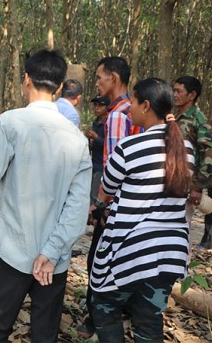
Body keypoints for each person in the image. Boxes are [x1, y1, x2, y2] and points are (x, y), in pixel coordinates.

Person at [0, 50, 91, 342]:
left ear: (26, 79)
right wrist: (50, 252)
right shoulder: (77, 139)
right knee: (45, 334)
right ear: (59, 87)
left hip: (12, 251)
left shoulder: (10, 123)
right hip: (53, 261)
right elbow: (77, 210)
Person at [91, 78, 194, 342]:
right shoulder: (186, 149)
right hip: (171, 252)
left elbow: (106, 190)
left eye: (133, 103)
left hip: (132, 248)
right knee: (149, 321)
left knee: (103, 304)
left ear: (146, 106)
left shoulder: (129, 147)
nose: (129, 109)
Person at [78, 56, 142, 338]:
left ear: (114, 78)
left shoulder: (117, 115)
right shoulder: (135, 110)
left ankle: (96, 319)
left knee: (98, 262)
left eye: (99, 77)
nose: (96, 82)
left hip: (115, 207)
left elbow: (114, 168)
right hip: (135, 205)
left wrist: (101, 205)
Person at [173, 76, 212, 248]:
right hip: (174, 181)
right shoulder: (176, 117)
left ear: (192, 95)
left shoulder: (198, 120)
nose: (175, 95)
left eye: (179, 91)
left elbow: (209, 155)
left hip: (187, 185)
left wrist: (197, 187)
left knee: (180, 228)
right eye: (174, 90)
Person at [84, 95, 109, 205]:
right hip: (94, 162)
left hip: (102, 165)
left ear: (107, 107)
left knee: (96, 194)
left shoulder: (108, 122)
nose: (97, 108)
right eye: (95, 105)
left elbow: (110, 144)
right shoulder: (95, 122)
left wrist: (96, 138)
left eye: (100, 106)